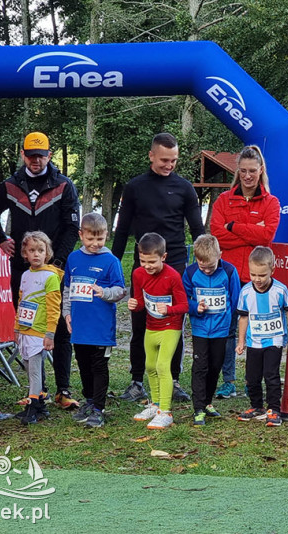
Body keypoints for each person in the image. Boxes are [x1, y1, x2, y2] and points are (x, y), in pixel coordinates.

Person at [0, 131, 80, 411]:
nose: (36, 160)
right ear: (23, 155)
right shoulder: (11, 184)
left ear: (49, 155)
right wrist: (1, 239)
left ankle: (63, 389)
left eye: (41, 155)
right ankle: (36, 391)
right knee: (29, 328)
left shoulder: (64, 185)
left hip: (54, 268)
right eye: (31, 154)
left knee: (60, 328)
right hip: (22, 269)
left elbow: (72, 227)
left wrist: (57, 263)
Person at [112, 132, 205, 404]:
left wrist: (205, 262)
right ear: (151, 156)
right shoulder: (134, 187)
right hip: (143, 266)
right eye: (164, 160)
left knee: (172, 325)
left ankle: (173, 380)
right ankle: (137, 381)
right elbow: (122, 229)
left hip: (174, 264)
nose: (169, 165)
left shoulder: (185, 188)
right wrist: (112, 263)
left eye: (174, 160)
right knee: (140, 323)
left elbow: (197, 230)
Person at [209, 145, 280, 400]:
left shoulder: (271, 202)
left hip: (258, 278)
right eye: (243, 171)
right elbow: (218, 236)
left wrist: (234, 226)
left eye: (252, 171)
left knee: (259, 329)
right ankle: (228, 380)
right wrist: (251, 229)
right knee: (228, 329)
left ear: (261, 171)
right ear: (237, 171)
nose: (248, 176)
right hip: (229, 275)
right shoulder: (223, 200)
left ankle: (258, 380)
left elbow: (267, 236)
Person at [62, 213, 126, 429]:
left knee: (99, 366)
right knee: (83, 364)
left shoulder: (111, 261)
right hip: (80, 326)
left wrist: (105, 292)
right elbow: (68, 290)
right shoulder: (73, 259)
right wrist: (67, 314)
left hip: (100, 328)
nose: (95, 244)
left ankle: (99, 408)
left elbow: (120, 290)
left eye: (100, 239)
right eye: (90, 239)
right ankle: (89, 400)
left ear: (106, 235)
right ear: (81, 235)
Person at [128, 233, 189, 431]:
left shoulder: (172, 276)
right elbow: (139, 303)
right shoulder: (138, 274)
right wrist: (134, 304)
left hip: (171, 327)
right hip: (151, 326)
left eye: (152, 261)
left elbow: (184, 305)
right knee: (150, 365)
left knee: (163, 366)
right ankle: (155, 405)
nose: (147, 266)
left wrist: (168, 309)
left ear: (163, 257)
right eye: (143, 261)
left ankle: (166, 411)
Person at [235, 246, 288, 427]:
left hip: (274, 340)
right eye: (253, 274)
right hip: (254, 341)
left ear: (272, 270)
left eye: (262, 275)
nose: (257, 279)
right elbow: (243, 317)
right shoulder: (246, 291)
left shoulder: (280, 290)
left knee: (271, 375)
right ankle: (256, 406)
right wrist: (240, 342)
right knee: (252, 377)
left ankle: (274, 409)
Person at [183, 235, 241, 427]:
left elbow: (235, 299)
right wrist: (194, 307)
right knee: (200, 367)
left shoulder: (230, 272)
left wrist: (227, 319)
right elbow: (183, 298)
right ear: (196, 260)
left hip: (221, 329)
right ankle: (198, 408)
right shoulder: (190, 272)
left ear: (220, 256)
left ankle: (207, 402)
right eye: (202, 267)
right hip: (200, 329)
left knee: (215, 365)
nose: (207, 271)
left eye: (211, 266)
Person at [14, 231, 61, 425]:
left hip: (39, 331)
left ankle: (32, 406)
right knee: (27, 365)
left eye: (40, 250)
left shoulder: (50, 277)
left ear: (47, 252)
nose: (36, 254)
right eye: (32, 250)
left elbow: (54, 307)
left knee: (34, 369)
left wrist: (50, 333)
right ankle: (39, 403)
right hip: (25, 329)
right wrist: (17, 327)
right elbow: (21, 301)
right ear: (25, 253)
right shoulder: (25, 275)